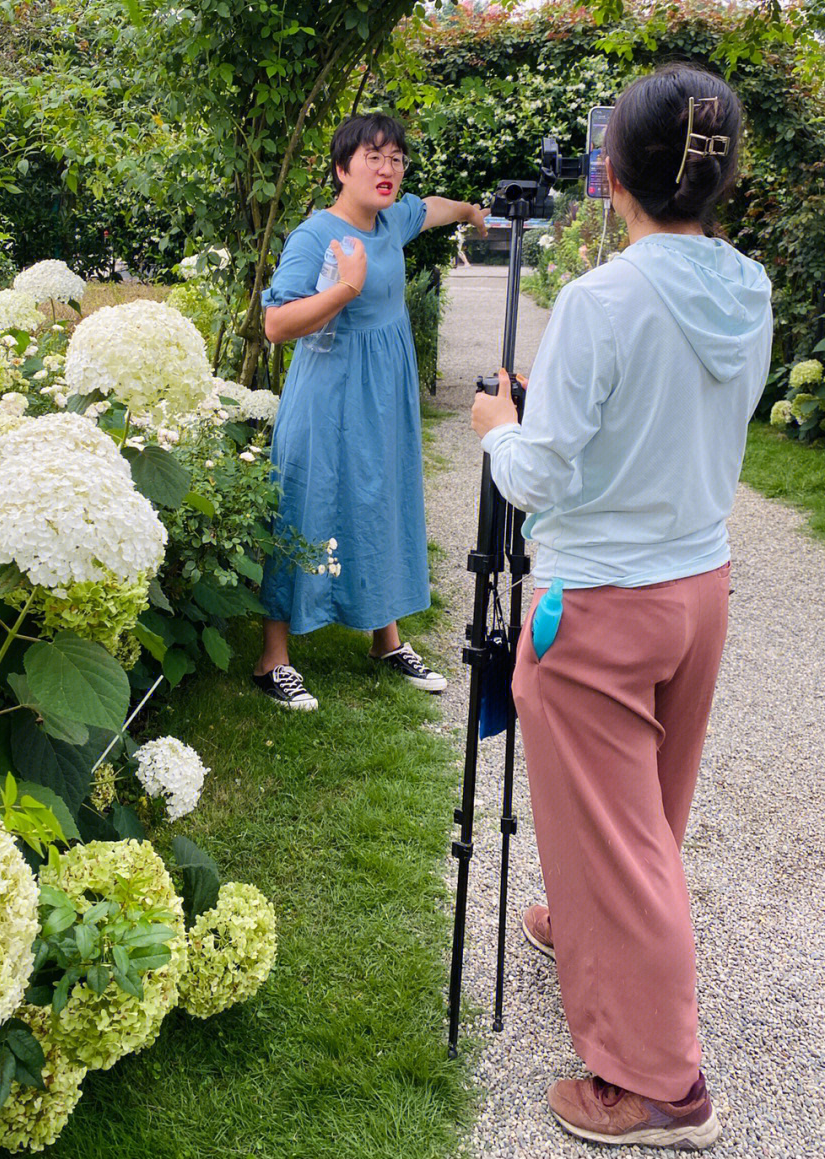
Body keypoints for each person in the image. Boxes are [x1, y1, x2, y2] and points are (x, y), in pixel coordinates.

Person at [471, 64, 772, 1151]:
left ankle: (657, 1082)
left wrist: (498, 422)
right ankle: (596, 925)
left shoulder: (602, 298)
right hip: (699, 583)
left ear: (610, 173)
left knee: (617, 825)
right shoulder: (749, 287)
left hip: (599, 598)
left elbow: (537, 476)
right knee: (645, 806)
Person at [254, 111, 488, 711]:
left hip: (382, 397)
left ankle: (385, 640)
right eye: (373, 158)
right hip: (328, 397)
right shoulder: (316, 236)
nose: (388, 169)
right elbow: (276, 324)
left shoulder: (392, 220)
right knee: (306, 504)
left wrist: (468, 210)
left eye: (396, 158)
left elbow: (429, 207)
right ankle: (272, 658)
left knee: (381, 500)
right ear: (342, 168)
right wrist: (345, 290)